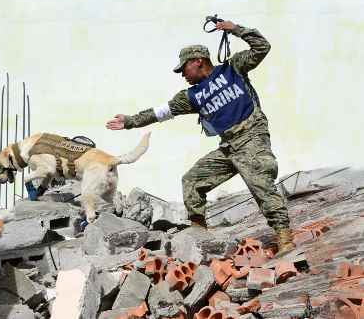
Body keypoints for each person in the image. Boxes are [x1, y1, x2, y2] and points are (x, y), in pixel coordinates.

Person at [106, 20, 295, 255]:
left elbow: (262, 47)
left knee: (261, 185)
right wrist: (130, 121)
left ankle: (286, 240)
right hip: (229, 147)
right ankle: (200, 235)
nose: (182, 74)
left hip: (252, 137)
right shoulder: (191, 96)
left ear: (198, 61)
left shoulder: (233, 68)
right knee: (192, 181)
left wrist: (234, 29)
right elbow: (161, 112)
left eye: (184, 68)